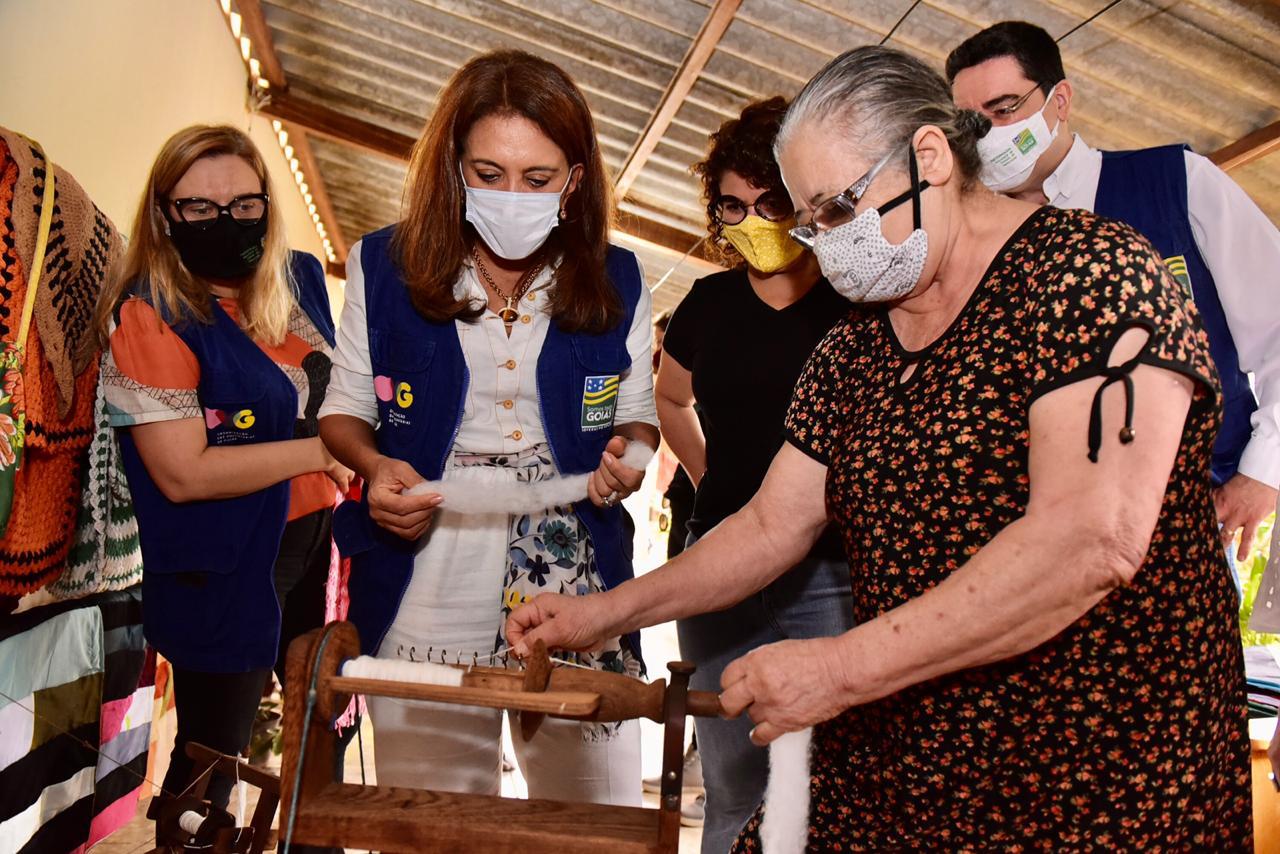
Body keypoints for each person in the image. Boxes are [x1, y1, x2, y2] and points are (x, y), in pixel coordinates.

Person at [508, 46, 1250, 849]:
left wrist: (837, 670)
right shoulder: (857, 347)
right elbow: (770, 526)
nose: (823, 245)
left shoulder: (1091, 277)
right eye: (810, 220)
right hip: (909, 753)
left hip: (1095, 773)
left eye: (837, 210)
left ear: (929, 155)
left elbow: (1089, 542)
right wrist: (600, 615)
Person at [318, 50, 657, 804]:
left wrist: (628, 458)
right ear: (452, 167)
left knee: (592, 819)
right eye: (488, 174)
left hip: (574, 576)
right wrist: (374, 469)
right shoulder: (383, 265)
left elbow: (640, 419)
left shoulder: (619, 277)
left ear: (574, 179)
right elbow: (343, 412)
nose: (513, 197)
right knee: (433, 819)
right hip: (425, 569)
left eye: (537, 179)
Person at [946, 21, 1280, 570]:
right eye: (971, 122)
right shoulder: (973, 240)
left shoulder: (1176, 183)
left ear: (1060, 101)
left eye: (1005, 109)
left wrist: (1261, 471)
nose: (990, 135)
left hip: (1185, 519)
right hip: (1030, 539)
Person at [95, 125, 349, 816]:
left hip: (314, 538)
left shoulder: (296, 280)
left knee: (322, 729)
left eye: (244, 204)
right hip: (227, 555)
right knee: (215, 751)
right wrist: (323, 454)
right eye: (200, 210)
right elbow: (184, 474)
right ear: (164, 215)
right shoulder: (150, 314)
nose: (226, 222)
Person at [654, 97, 853, 851]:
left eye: (768, 202)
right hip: (720, 570)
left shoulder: (855, 299)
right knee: (732, 780)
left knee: (826, 777)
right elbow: (669, 398)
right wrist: (709, 478)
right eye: (731, 207)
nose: (751, 222)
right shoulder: (707, 304)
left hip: (830, 572)